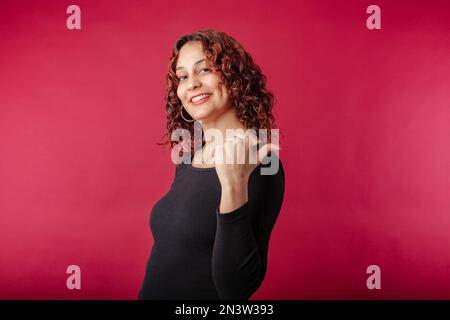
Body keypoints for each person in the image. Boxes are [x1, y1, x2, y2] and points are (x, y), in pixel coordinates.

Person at [138, 29, 285, 300]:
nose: (191, 83)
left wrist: (233, 185)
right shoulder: (189, 157)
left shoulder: (260, 162)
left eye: (204, 70)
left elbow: (236, 289)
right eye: (182, 77)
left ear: (234, 77)